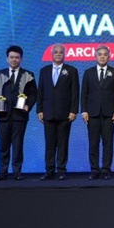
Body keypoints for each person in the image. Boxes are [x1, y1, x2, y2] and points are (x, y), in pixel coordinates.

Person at [0, 45, 37, 180]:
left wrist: (28, 105)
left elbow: (33, 94)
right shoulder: (0, 74)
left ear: (21, 59)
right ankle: (2, 172)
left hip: (19, 116)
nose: (14, 60)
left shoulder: (28, 74)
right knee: (3, 146)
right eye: (11, 57)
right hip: (2, 115)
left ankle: (17, 172)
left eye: (17, 57)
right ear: (7, 59)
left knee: (18, 145)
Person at [37, 43, 80, 180]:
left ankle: (61, 170)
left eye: (61, 52)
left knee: (62, 143)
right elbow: (40, 91)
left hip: (65, 113)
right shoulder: (44, 71)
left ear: (64, 54)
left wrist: (73, 111)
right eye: (55, 52)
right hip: (48, 112)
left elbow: (75, 93)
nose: (58, 54)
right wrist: (39, 110)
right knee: (49, 144)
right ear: (52, 54)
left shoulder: (71, 70)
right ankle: (49, 170)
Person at [81, 45, 114, 180]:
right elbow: (84, 94)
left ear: (109, 56)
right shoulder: (88, 73)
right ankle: (94, 170)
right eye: (100, 54)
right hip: (92, 113)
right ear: (95, 57)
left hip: (109, 114)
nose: (102, 56)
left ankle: (106, 169)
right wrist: (84, 111)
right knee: (93, 143)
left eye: (105, 54)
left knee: (108, 143)